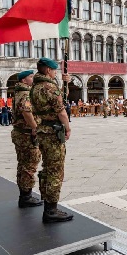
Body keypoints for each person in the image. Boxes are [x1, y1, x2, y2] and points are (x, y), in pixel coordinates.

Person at [30, 58, 73, 223]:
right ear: (48, 70)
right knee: (55, 170)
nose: (55, 72)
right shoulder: (49, 86)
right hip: (53, 132)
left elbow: (60, 98)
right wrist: (67, 127)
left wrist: (64, 84)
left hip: (42, 131)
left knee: (47, 169)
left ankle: (48, 204)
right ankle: (51, 210)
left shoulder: (35, 87)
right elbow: (61, 110)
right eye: (54, 70)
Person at [11, 70, 43, 208]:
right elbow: (26, 111)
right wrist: (35, 127)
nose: (33, 78)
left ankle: (25, 194)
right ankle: (26, 197)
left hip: (21, 133)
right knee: (29, 165)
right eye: (30, 77)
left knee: (23, 165)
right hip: (26, 134)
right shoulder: (25, 94)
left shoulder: (20, 92)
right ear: (24, 80)